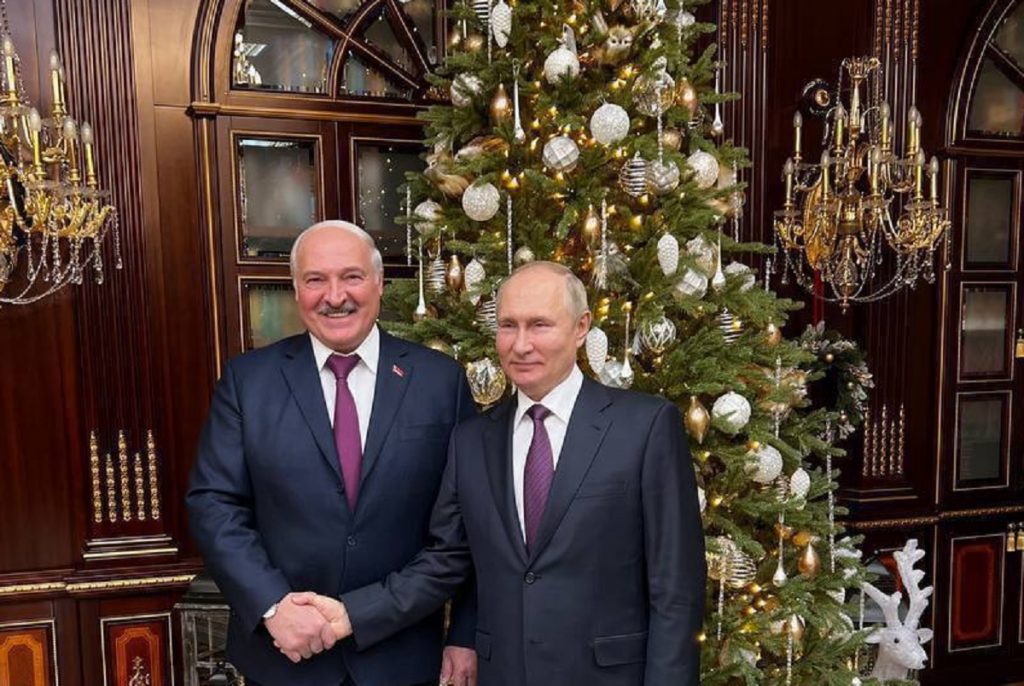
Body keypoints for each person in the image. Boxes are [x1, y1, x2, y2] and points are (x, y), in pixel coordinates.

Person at [301, 261, 706, 685]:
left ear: (581, 327)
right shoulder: (471, 442)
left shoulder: (645, 427)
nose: (521, 345)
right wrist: (352, 614)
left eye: (539, 325)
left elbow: (676, 589)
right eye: (508, 326)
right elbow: (445, 561)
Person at [186, 221, 478, 686]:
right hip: (284, 656)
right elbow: (214, 504)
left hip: (402, 657)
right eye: (315, 279)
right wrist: (273, 606)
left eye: (351, 277)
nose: (335, 296)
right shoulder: (248, 381)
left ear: (379, 282)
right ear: (296, 289)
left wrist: (464, 634)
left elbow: (465, 527)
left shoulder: (441, 381)